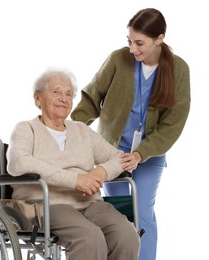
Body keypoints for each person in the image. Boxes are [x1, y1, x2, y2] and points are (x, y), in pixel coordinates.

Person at [71, 8, 190, 260]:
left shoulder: (179, 69)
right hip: (112, 154)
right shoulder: (118, 60)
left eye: (139, 43)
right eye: (129, 41)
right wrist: (72, 131)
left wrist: (140, 154)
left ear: (159, 38)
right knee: (119, 215)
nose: (132, 49)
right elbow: (92, 98)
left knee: (142, 211)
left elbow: (173, 124)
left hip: (149, 155)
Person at [6, 68, 140, 260]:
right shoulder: (26, 129)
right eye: (56, 92)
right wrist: (75, 180)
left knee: (127, 236)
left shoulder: (82, 131)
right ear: (37, 99)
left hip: (89, 203)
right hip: (48, 203)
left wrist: (101, 172)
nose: (64, 98)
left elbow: (120, 158)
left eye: (68, 94)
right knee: (89, 238)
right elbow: (18, 162)